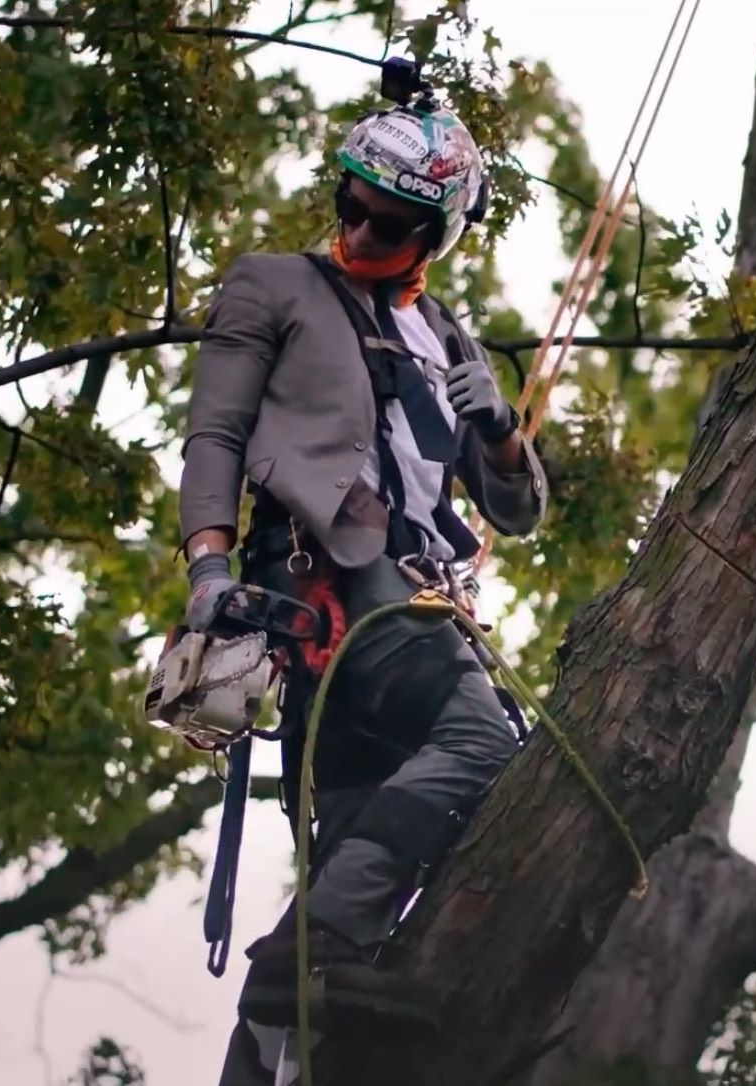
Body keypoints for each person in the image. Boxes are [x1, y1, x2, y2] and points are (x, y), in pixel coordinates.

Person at [178, 94, 548, 1083]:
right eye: (350, 208)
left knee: (356, 903)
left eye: (387, 226)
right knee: (483, 746)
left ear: (435, 233)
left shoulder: (448, 338)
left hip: (420, 604)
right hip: (334, 590)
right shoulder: (276, 287)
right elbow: (214, 432)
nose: (358, 234)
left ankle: (269, 1046)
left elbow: (516, 512)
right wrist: (209, 567)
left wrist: (500, 431)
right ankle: (296, 964)